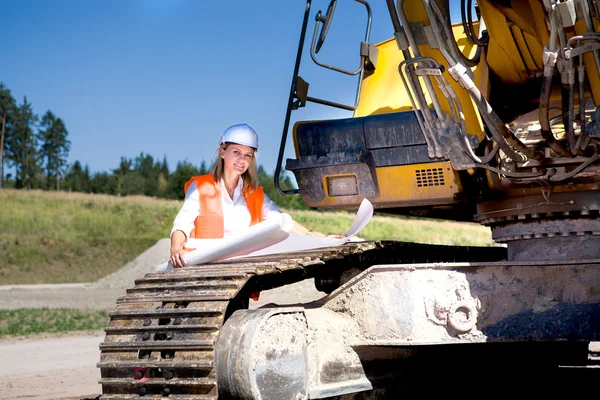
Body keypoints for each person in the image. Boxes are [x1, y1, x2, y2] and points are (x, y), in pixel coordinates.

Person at [169, 123, 315, 268]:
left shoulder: (254, 193)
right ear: (222, 152)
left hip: (239, 267)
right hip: (201, 265)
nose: (242, 160)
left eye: (248, 155)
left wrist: (316, 236)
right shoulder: (201, 186)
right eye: (236, 152)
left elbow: (282, 221)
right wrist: (176, 248)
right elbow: (182, 223)